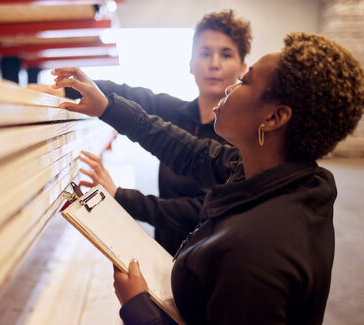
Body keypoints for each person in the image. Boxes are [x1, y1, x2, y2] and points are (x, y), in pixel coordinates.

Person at [50, 32, 364, 325]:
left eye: (244, 81)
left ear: (274, 118)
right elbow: (189, 151)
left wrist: (138, 309)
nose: (230, 85)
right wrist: (108, 106)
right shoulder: (284, 177)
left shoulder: (254, 254)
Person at [30, 10, 251, 255]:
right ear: (190, 64)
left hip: (209, 266)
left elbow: (201, 211)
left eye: (226, 54)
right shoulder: (177, 112)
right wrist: (69, 90)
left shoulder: (241, 140)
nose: (214, 64)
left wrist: (120, 196)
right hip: (167, 256)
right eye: (205, 53)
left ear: (243, 68)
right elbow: (131, 94)